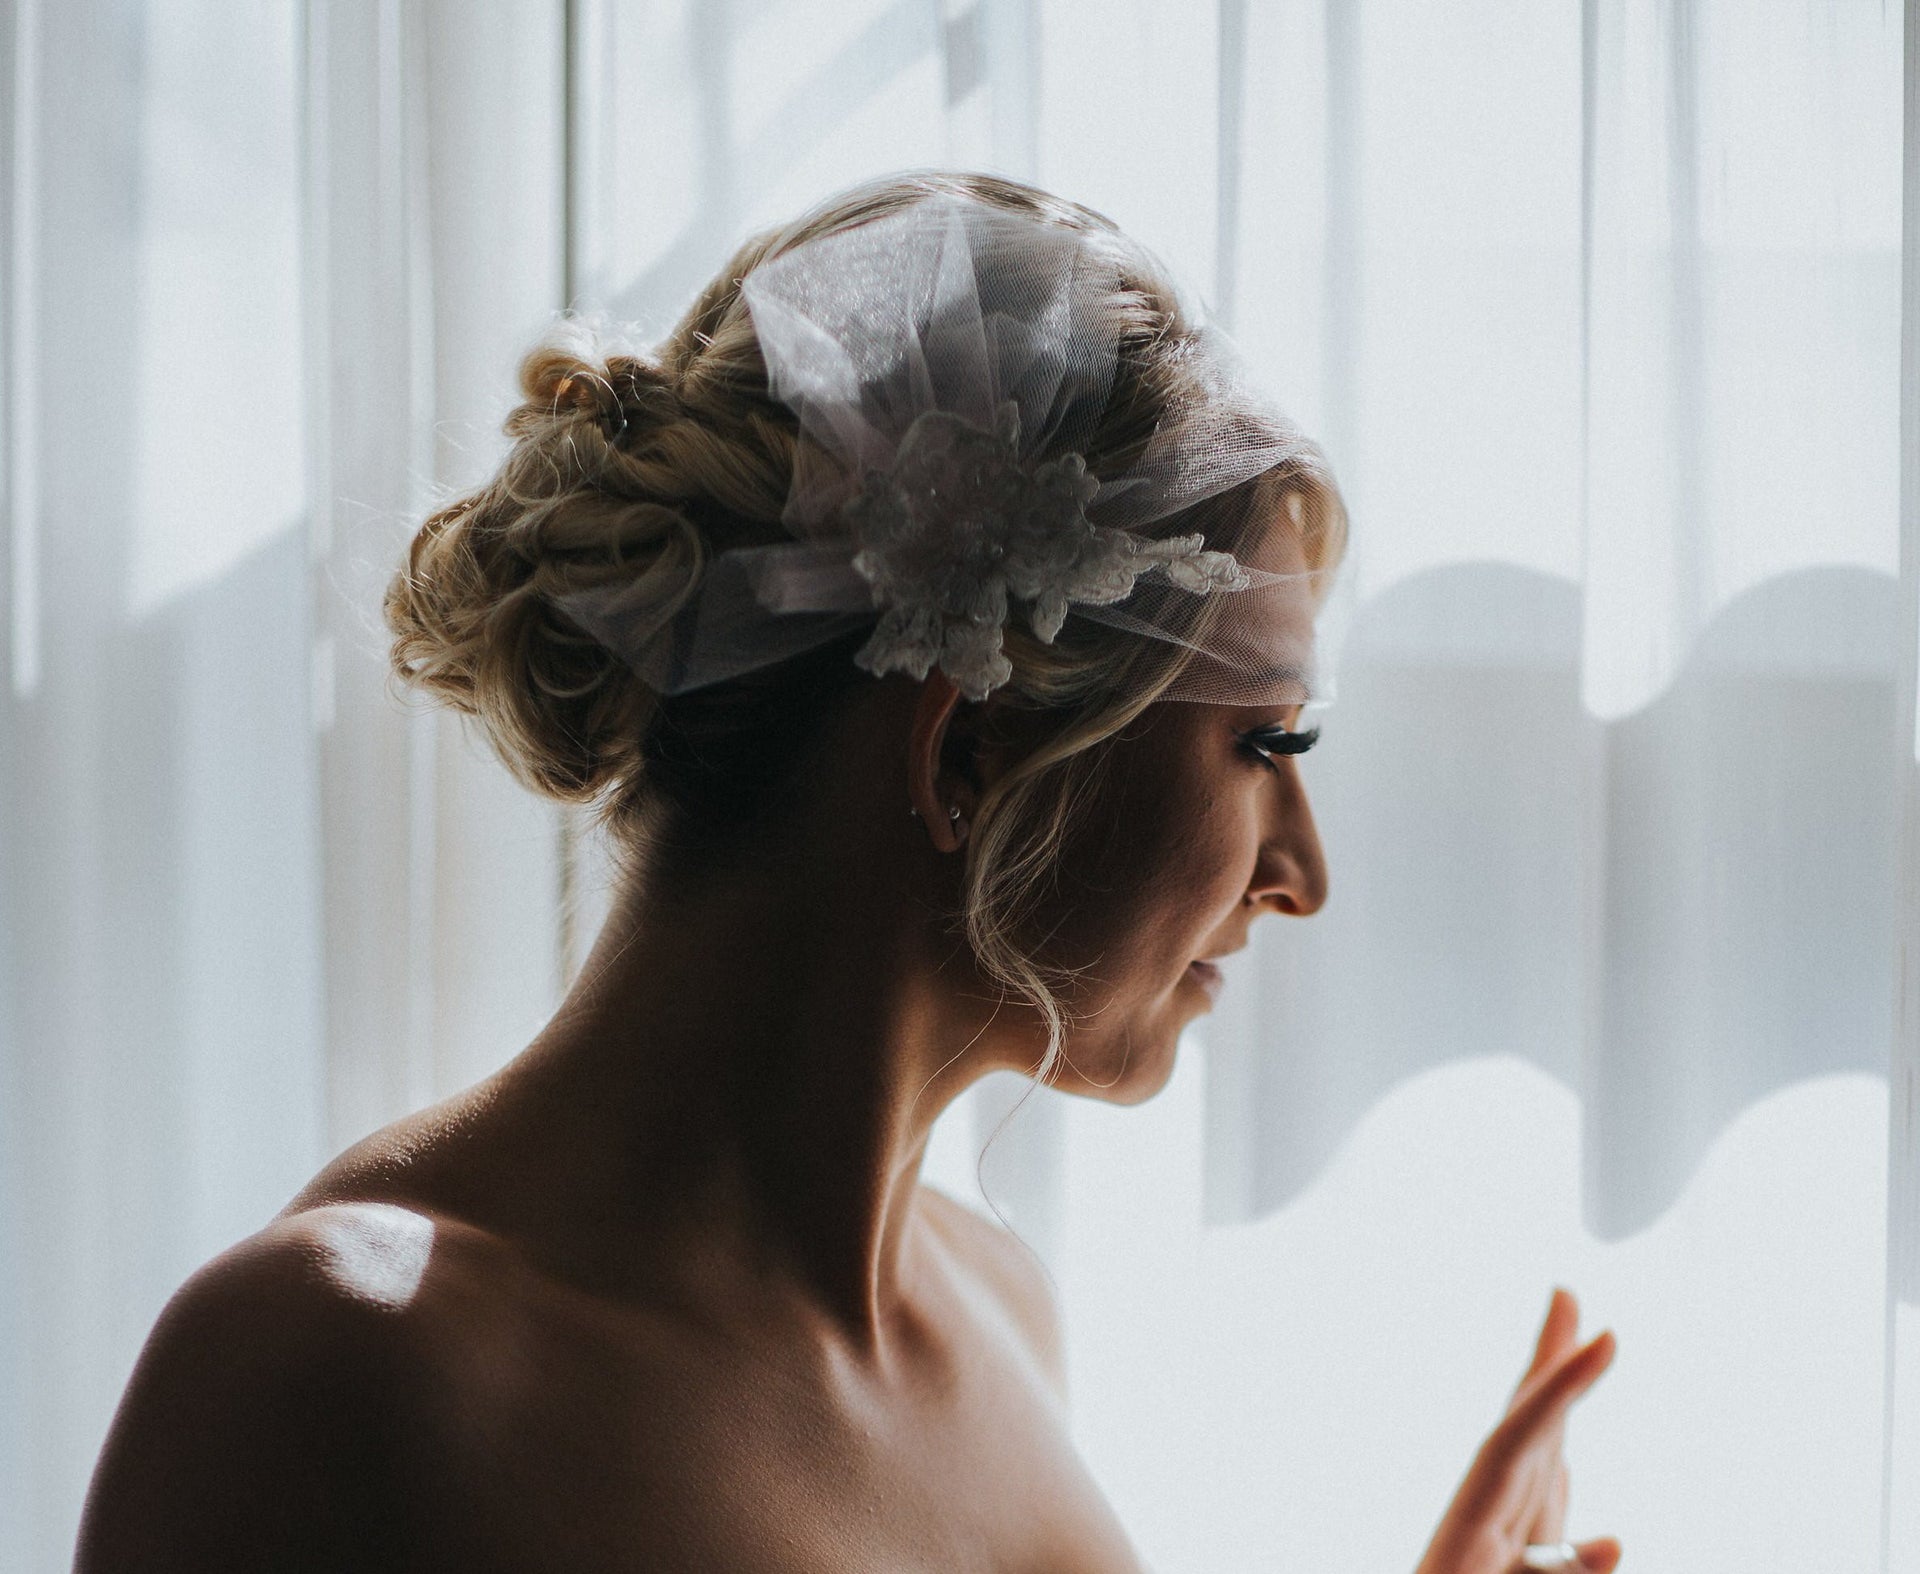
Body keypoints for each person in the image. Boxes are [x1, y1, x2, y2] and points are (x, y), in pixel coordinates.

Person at [76, 171, 1618, 1573]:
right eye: (1267, 744)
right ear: (962, 755)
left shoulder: (998, 1314)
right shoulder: (335, 1373)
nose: (1304, 875)